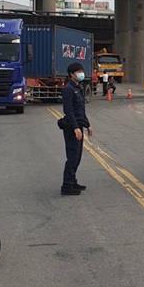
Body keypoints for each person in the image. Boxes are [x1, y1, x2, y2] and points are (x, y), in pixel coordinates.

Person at [60, 62, 91, 196]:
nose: (81, 73)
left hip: (79, 126)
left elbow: (81, 110)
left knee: (77, 157)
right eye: (78, 71)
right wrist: (75, 128)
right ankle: (67, 186)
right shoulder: (68, 89)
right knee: (72, 157)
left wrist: (87, 125)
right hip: (72, 128)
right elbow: (69, 111)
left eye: (81, 71)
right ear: (71, 74)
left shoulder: (78, 88)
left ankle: (73, 181)